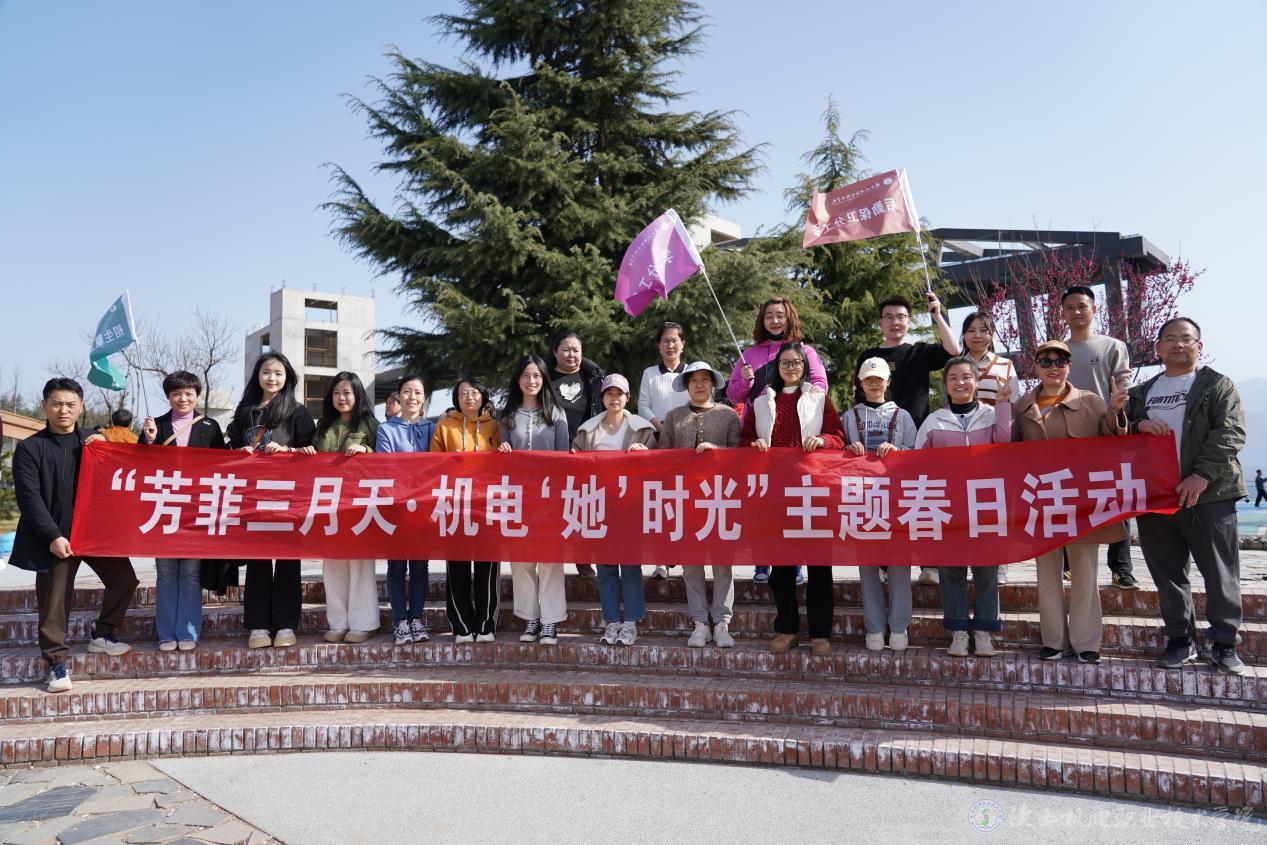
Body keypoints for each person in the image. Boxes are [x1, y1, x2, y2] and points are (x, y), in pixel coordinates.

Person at [1128, 318, 1247, 675]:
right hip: (1157, 499)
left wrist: (1201, 475)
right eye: (1170, 339)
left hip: (1209, 496)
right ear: (1158, 348)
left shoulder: (1216, 385)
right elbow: (1116, 432)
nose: (1178, 344)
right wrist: (1138, 425)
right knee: (1168, 575)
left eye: (1186, 338)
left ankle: (1225, 644)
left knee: (1220, 574)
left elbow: (1230, 432)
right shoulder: (1141, 393)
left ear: (1200, 345)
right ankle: (1180, 640)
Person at [11, 378, 139, 693]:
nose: (63, 410)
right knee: (54, 602)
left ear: (81, 406)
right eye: (56, 403)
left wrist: (116, 446)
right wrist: (52, 535)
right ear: (45, 405)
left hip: (95, 533)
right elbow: (29, 499)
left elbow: (135, 467)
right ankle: (56, 663)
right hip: (55, 539)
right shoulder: (30, 448)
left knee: (124, 580)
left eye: (70, 404)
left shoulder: (94, 442)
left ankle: (103, 633)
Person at [1015, 340, 1128, 665]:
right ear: (1036, 367)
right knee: (1047, 573)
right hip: (1041, 502)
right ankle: (1053, 641)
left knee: (1085, 573)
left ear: (1069, 366)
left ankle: (1086, 642)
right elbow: (1009, 455)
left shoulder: (1091, 401)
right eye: (1046, 362)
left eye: (1060, 361)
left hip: (1082, 503)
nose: (1053, 368)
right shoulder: (1022, 406)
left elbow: (1111, 441)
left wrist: (1114, 411)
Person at [741, 343, 845, 656]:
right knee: (782, 568)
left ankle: (820, 634)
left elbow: (838, 437)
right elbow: (745, 439)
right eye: (785, 363)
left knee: (819, 567)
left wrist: (822, 440)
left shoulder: (818, 398)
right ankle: (787, 629)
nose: (791, 368)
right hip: (776, 493)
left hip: (813, 491)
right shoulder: (762, 401)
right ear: (777, 368)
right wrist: (755, 445)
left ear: (804, 366)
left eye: (796, 363)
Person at [854, 293, 960, 586]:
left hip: (915, 439)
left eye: (900, 317)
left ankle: (929, 564)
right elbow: (858, 397)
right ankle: (885, 563)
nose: (895, 322)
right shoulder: (869, 357)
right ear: (880, 322)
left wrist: (937, 315)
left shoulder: (919, 352)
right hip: (877, 443)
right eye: (888, 317)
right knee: (883, 503)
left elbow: (953, 350)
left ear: (909, 321)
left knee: (920, 500)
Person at [914, 356, 1012, 658]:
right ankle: (958, 631)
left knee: (987, 571)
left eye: (966, 377)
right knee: (951, 570)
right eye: (953, 377)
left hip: (985, 504)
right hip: (948, 506)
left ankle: (984, 632)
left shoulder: (991, 415)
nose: (960, 382)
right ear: (945, 384)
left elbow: (1006, 445)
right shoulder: (934, 421)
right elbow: (917, 463)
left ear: (976, 381)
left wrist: (1004, 405)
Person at [728, 297, 825, 585]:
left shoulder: (805, 351)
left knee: (795, 501)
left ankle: (795, 564)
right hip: (761, 439)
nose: (774, 320)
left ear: (789, 318)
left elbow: (820, 384)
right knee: (763, 501)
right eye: (769, 315)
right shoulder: (749, 354)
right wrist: (745, 380)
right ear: (762, 320)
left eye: (780, 315)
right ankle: (762, 562)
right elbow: (733, 395)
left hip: (795, 438)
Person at [225, 352, 316, 650]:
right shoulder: (245, 411)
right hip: (253, 498)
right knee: (258, 562)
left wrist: (289, 451)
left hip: (288, 498)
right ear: (257, 376)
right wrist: (240, 452)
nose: (272, 378)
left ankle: (287, 624)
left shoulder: (297, 411)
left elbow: (312, 452)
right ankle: (258, 625)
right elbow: (231, 447)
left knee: (288, 562)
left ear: (287, 377)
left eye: (278, 373)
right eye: (267, 372)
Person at [139, 370, 228, 652]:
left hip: (196, 509)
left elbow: (223, 464)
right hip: (164, 507)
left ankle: (188, 632)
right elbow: (139, 464)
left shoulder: (210, 426)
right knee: (166, 573)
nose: (183, 398)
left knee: (190, 573)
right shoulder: (156, 425)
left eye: (189, 393)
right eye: (177, 393)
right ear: (168, 397)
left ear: (197, 395)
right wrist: (149, 441)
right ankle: (166, 634)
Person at [657, 362, 741, 648]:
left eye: (705, 379)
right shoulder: (674, 417)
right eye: (694, 380)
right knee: (691, 566)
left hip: (720, 499)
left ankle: (723, 623)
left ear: (713, 384)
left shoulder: (728, 416)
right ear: (687, 385)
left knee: (722, 565)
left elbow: (740, 457)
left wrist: (718, 453)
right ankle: (700, 623)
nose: (700, 384)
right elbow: (662, 457)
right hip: (685, 501)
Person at [1061, 285, 1139, 591]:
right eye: (1070, 307)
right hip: (1067, 436)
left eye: (1082, 306)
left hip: (1106, 434)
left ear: (1094, 310)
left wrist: (1116, 415)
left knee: (1117, 499)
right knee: (1068, 498)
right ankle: (1068, 565)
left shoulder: (1112, 346)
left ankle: (1121, 568)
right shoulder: (1057, 351)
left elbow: (1123, 387)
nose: (1077, 312)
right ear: (1063, 314)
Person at [572, 374, 656, 645]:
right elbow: (574, 463)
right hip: (599, 506)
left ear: (627, 397)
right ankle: (611, 622)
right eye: (609, 393)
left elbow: (659, 464)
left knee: (630, 566)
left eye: (619, 393)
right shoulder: (587, 431)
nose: (614, 398)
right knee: (605, 567)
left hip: (631, 507)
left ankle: (630, 623)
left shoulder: (642, 429)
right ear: (602, 398)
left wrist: (646, 451)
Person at [498, 355, 570, 646]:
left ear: (544, 380)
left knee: (550, 560)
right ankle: (531, 617)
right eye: (526, 375)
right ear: (518, 379)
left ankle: (551, 620)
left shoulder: (556, 414)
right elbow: (500, 462)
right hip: (517, 498)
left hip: (548, 498)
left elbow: (563, 459)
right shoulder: (507, 416)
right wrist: (503, 451)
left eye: (537, 376)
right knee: (521, 561)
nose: (531, 381)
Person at [845, 358, 916, 651]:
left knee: (899, 564)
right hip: (862, 499)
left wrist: (898, 451)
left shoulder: (903, 416)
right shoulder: (849, 417)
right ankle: (874, 627)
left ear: (888, 382)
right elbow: (836, 455)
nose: (874, 383)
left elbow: (916, 454)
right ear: (861, 384)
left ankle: (899, 626)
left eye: (879, 379)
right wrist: (849, 449)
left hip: (897, 499)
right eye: (868, 379)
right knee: (867, 565)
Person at [313, 372, 380, 644]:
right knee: (333, 565)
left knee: (360, 563)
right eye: (337, 393)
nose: (342, 398)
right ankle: (338, 622)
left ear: (357, 395)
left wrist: (367, 452)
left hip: (360, 504)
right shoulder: (323, 425)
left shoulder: (370, 424)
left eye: (347, 392)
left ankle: (363, 623)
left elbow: (387, 459)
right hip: (329, 504)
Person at [433, 375, 501, 642]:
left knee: (487, 565)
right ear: (456, 399)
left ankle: (486, 624)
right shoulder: (444, 426)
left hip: (487, 504)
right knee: (457, 566)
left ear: (483, 396)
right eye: (463, 393)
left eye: (474, 392)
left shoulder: (494, 426)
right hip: (454, 503)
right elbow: (433, 464)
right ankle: (461, 625)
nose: (469, 397)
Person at [956, 311, 1022, 584]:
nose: (977, 335)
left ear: (992, 335)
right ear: (963, 335)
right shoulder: (955, 365)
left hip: (996, 443)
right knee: (967, 506)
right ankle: (970, 561)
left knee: (997, 506)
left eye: (983, 330)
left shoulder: (1005, 365)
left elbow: (1014, 403)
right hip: (965, 443)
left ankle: (999, 565)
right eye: (971, 330)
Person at [376, 374, 437, 645]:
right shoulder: (386, 429)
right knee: (397, 566)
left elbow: (438, 465)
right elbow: (387, 467)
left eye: (417, 392)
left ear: (424, 398)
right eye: (407, 392)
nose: (412, 397)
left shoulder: (433, 429)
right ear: (398, 396)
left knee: (421, 566)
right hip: (396, 506)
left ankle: (416, 618)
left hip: (424, 508)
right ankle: (400, 620)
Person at [546, 329, 604, 575]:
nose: (571, 355)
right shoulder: (544, 378)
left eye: (576, 350)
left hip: (584, 449)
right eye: (566, 350)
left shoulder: (592, 377)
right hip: (552, 450)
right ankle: (551, 556)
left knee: (583, 505)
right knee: (553, 505)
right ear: (555, 352)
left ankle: (583, 558)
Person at [638, 321, 691, 579]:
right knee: (660, 500)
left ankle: (685, 557)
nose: (670, 345)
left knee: (685, 501)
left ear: (683, 344)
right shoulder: (650, 373)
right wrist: (661, 426)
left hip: (686, 441)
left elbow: (700, 401)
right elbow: (643, 405)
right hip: (658, 440)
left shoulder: (692, 372)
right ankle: (661, 560)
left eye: (674, 340)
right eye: (665, 341)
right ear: (659, 346)